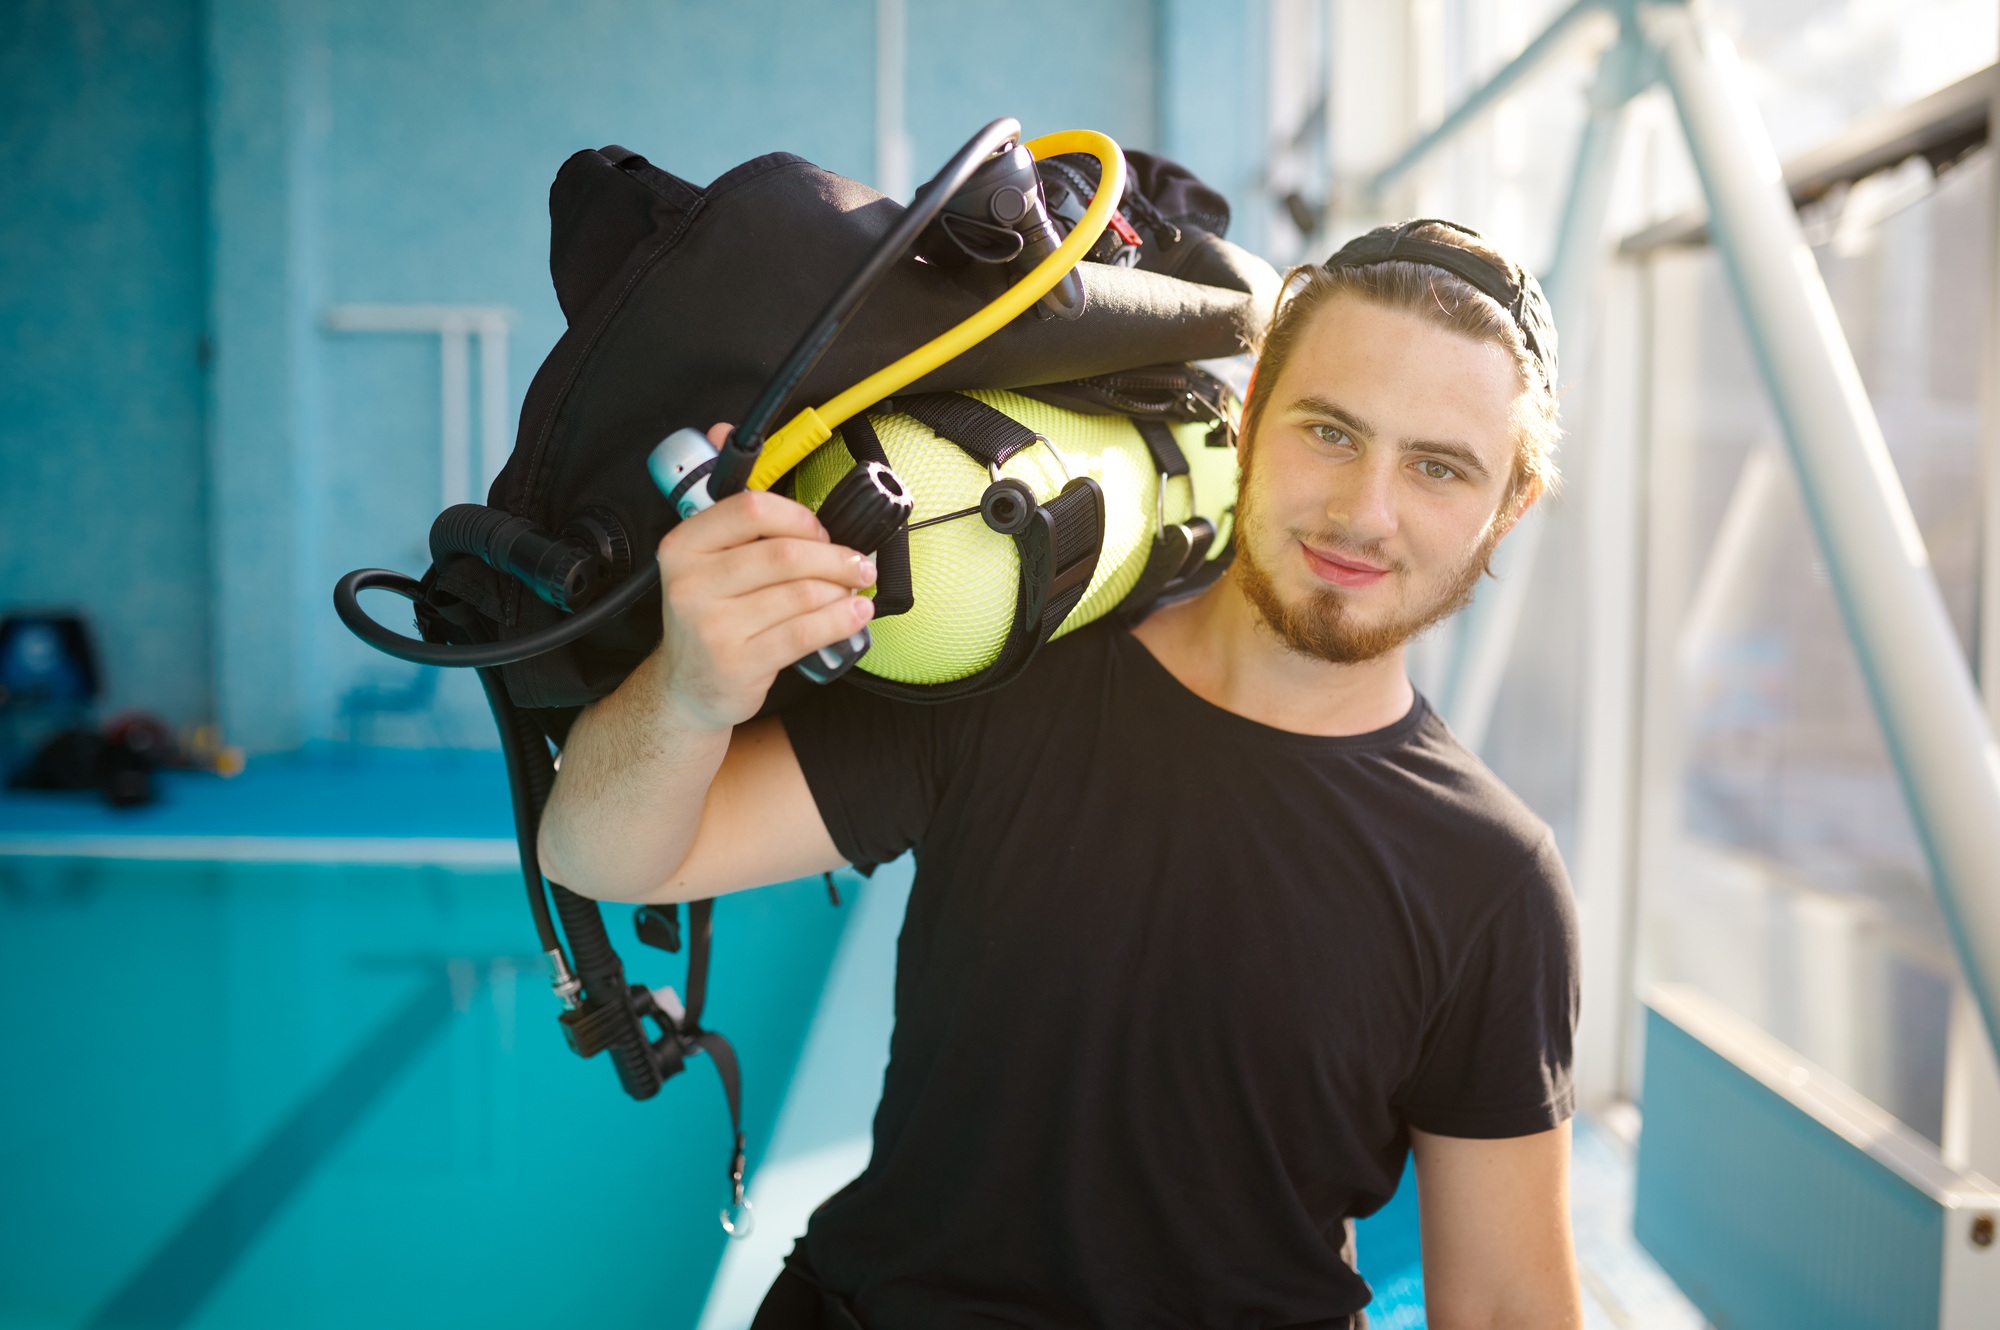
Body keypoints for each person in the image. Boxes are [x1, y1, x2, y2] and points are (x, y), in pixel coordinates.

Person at [539, 219, 1583, 1329]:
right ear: (1249, 417)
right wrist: (691, 689)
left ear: (1505, 507)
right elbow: (601, 853)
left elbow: (1509, 1306)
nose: (1363, 513)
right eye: (1328, 432)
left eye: (1435, 467)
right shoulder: (1006, 682)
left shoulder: (1491, 879)